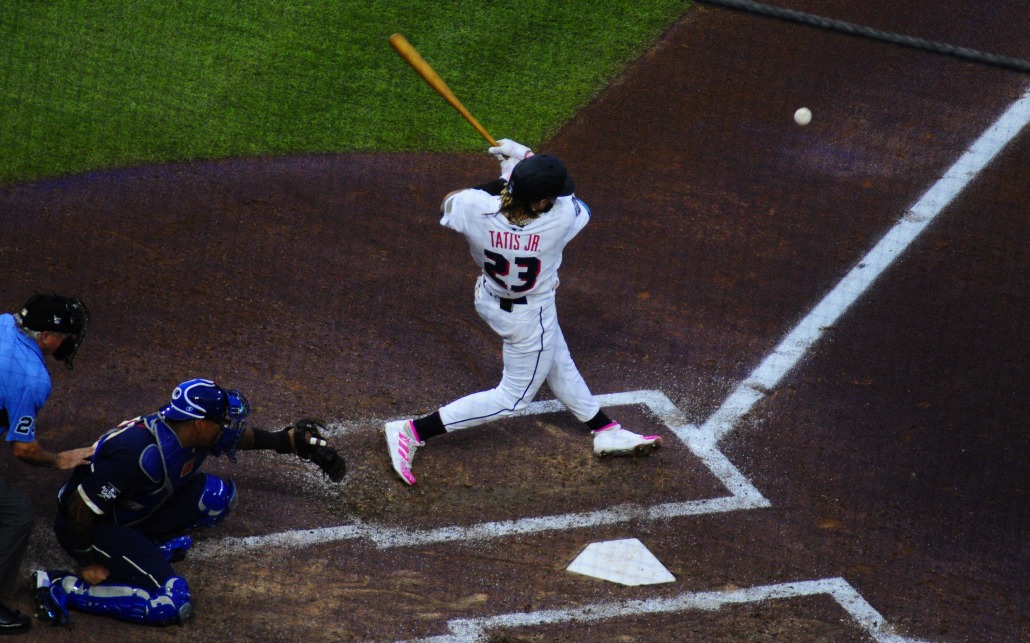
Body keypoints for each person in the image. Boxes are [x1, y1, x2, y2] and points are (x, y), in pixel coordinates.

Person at [384, 140, 661, 486]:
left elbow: (452, 201)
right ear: (543, 201)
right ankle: (411, 431)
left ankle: (605, 429)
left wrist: (506, 177)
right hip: (529, 317)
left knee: (557, 359)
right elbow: (577, 205)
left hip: (489, 298)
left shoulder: (475, 207)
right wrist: (522, 160)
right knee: (513, 399)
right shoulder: (560, 220)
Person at [34, 377, 346, 627]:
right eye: (220, 420)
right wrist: (88, 562)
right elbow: (78, 508)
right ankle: (62, 586)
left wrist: (286, 441)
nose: (227, 426)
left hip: (130, 508)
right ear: (199, 423)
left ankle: (143, 549)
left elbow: (241, 437)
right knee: (171, 604)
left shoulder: (189, 431)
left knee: (218, 498)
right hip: (92, 527)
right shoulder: (140, 456)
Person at [0, 293, 93, 635]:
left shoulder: (3, 322)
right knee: (15, 512)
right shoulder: (32, 376)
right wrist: (59, 460)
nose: (69, 342)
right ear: (47, 337)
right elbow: (24, 450)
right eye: (67, 336)